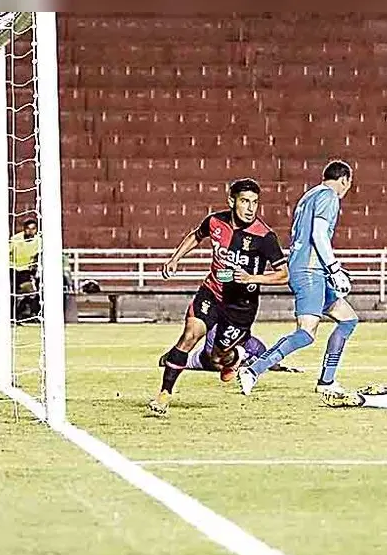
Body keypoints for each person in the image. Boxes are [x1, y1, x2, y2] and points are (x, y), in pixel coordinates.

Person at [148, 178, 288, 416]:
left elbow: (284, 274)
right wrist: (175, 259)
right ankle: (164, 394)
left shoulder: (265, 237)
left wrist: (252, 278)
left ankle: (236, 357)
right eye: (245, 201)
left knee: (217, 358)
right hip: (212, 293)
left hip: (241, 307)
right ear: (232, 201)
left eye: (255, 202)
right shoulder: (214, 221)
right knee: (189, 336)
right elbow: (196, 235)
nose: (250, 208)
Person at [237, 160, 358, 396]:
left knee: (348, 320)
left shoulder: (309, 195)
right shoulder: (329, 196)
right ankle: (253, 369)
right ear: (344, 180)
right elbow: (319, 234)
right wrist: (334, 268)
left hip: (310, 269)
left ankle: (327, 381)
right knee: (306, 333)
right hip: (310, 271)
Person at [159, 325, 302, 376]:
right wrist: (230, 368)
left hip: (234, 363)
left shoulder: (256, 346)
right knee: (169, 360)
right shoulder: (216, 332)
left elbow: (268, 361)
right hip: (202, 361)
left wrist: (282, 368)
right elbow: (212, 359)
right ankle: (168, 357)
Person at [9, 217, 42, 322]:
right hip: (12, 268)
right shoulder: (15, 239)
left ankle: (24, 313)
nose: (30, 231)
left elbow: (39, 255)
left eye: (33, 229)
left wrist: (35, 264)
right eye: (28, 228)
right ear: (24, 229)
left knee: (31, 292)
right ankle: (11, 316)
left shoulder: (39, 241)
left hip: (26, 271)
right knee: (10, 292)